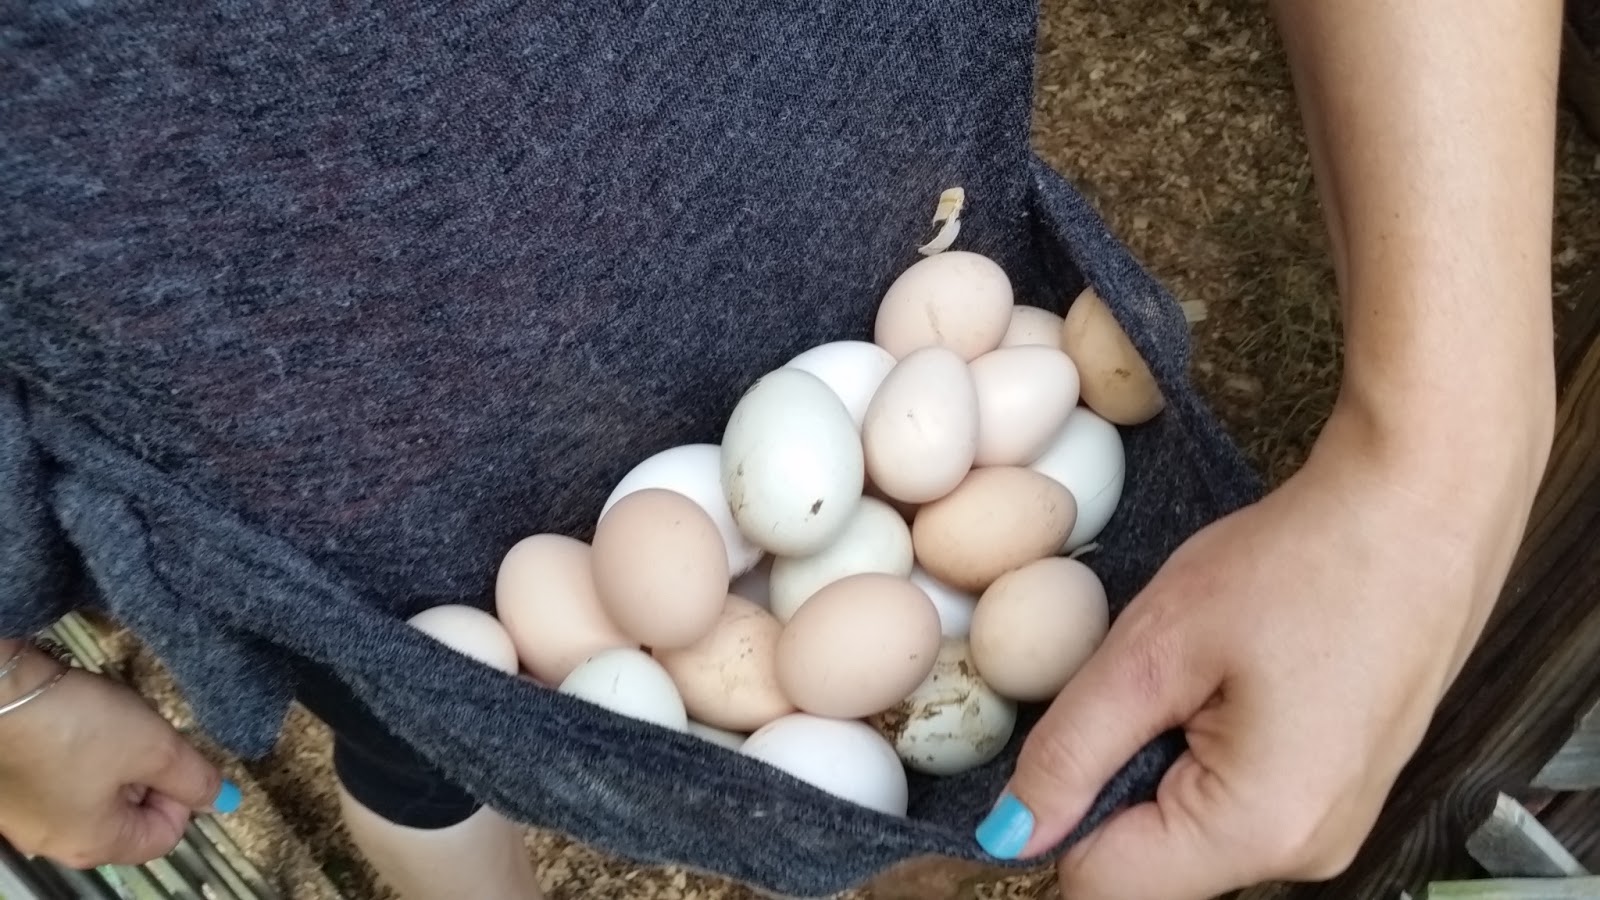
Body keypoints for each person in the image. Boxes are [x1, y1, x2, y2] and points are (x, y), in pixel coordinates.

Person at [0, 1, 1563, 899]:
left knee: (468, 697)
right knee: (423, 719)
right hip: (353, 529)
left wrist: (1441, 453)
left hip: (868, 239)